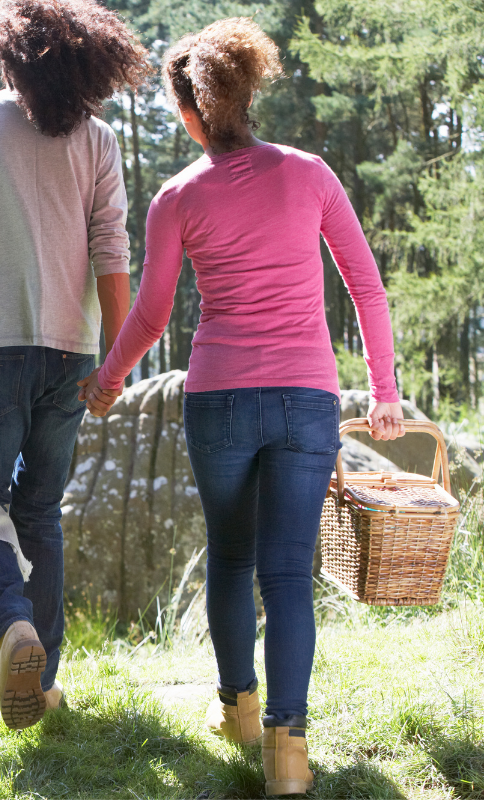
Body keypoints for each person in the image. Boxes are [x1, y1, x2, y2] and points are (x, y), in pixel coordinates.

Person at [78, 18, 405, 796]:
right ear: (248, 93)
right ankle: (287, 753)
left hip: (219, 398)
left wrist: (108, 380)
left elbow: (152, 316)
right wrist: (385, 390)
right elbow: (365, 286)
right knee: (288, 574)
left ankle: (238, 711)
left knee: (231, 558)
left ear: (192, 113)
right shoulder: (311, 173)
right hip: (305, 398)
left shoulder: (176, 197)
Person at [0, 0, 148, 730]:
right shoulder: (98, 139)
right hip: (73, 354)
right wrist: (116, 358)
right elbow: (113, 250)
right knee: (40, 509)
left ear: (7, 54)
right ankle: (43, 679)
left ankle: (11, 623)